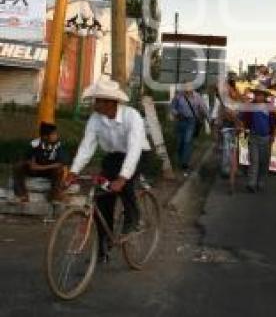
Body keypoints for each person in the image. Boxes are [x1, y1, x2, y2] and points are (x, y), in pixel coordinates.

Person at [66, 77, 151, 262]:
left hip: (137, 154)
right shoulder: (95, 119)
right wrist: (74, 171)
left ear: (111, 102)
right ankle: (103, 247)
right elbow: (86, 146)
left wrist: (122, 178)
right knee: (102, 198)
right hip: (113, 157)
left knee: (126, 186)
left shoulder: (132, 116)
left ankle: (133, 220)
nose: (95, 104)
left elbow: (134, 149)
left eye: (99, 100)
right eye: (95, 100)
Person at [13, 122, 69, 203]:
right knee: (18, 166)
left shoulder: (59, 145)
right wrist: (30, 163)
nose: (56, 136)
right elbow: (27, 159)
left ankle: (54, 195)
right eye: (53, 134)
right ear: (45, 136)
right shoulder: (34, 144)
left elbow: (61, 163)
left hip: (49, 171)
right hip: (35, 170)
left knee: (59, 170)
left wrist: (41, 167)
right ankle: (22, 195)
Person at [239, 85, 276, 193]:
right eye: (257, 94)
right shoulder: (250, 106)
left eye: (261, 94)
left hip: (266, 138)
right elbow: (242, 119)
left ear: (264, 96)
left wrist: (273, 135)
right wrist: (242, 127)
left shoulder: (270, 107)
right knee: (254, 161)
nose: (258, 96)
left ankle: (260, 182)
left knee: (264, 162)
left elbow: (274, 123)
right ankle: (251, 183)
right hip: (253, 137)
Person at [170, 83, 210, 176]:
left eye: (189, 88)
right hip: (180, 121)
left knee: (187, 141)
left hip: (191, 122)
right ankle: (181, 160)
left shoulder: (197, 97)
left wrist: (209, 120)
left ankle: (185, 163)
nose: (188, 90)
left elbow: (203, 108)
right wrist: (176, 113)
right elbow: (172, 107)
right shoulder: (178, 96)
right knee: (180, 142)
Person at [215, 74, 242, 194]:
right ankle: (230, 179)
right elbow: (224, 116)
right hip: (228, 131)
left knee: (234, 156)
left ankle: (232, 180)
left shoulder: (237, 100)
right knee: (230, 155)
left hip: (235, 132)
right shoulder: (224, 102)